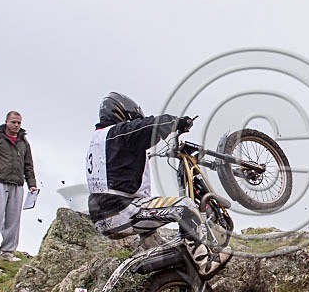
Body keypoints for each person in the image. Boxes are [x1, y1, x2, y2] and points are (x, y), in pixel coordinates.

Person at [86, 92, 230, 276]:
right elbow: (148, 127)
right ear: (122, 112)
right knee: (185, 206)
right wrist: (177, 122)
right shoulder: (119, 133)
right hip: (121, 212)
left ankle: (169, 272)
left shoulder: (98, 140)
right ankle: (205, 263)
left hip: (102, 217)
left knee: (152, 230)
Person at [0, 111, 37, 262]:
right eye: (13, 122)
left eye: (19, 123)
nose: (16, 125)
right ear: (6, 122)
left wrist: (32, 184)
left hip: (17, 184)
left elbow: (28, 164)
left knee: (13, 219)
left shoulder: (23, 142)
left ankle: (7, 252)